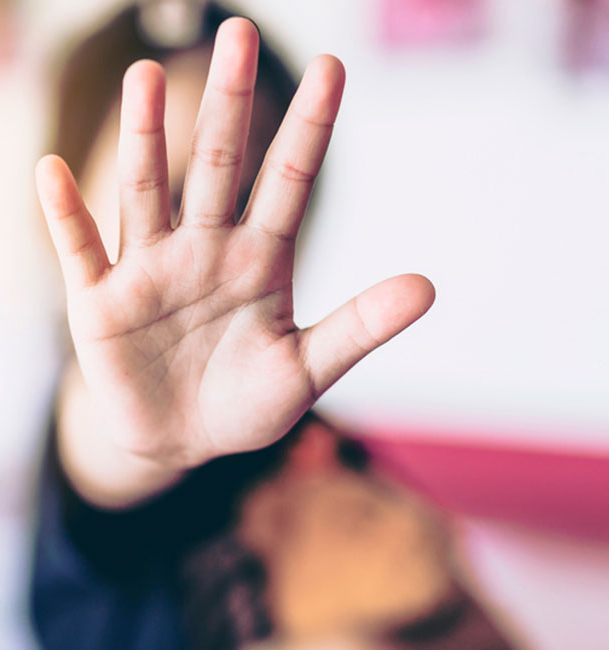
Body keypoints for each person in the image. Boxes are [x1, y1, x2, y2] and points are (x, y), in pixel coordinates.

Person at [28, 4, 439, 648]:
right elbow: (100, 444)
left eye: (247, 202)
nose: (212, 250)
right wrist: (139, 444)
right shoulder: (97, 422)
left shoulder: (304, 425)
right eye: (173, 200)